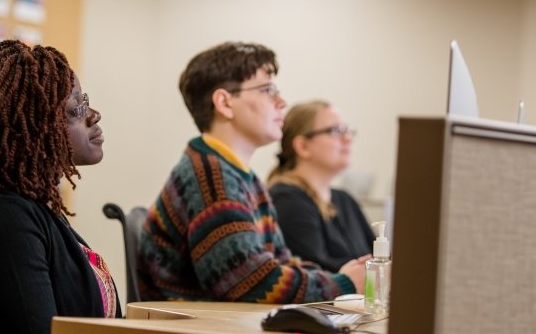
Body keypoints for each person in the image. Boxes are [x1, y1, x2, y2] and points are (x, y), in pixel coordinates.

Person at [137, 42, 367, 303]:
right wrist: (344, 284)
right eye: (267, 90)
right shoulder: (210, 177)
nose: (282, 102)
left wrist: (341, 277)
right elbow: (253, 283)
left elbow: (280, 263)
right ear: (224, 103)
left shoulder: (239, 175)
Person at [0, 40, 120, 334]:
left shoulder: (32, 209)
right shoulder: (0, 218)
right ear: (31, 127)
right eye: (76, 109)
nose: (93, 115)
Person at [267, 101, 375, 272]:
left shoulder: (345, 200)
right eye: (335, 131)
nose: (347, 138)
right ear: (303, 146)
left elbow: (378, 262)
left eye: (347, 131)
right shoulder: (287, 201)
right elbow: (316, 276)